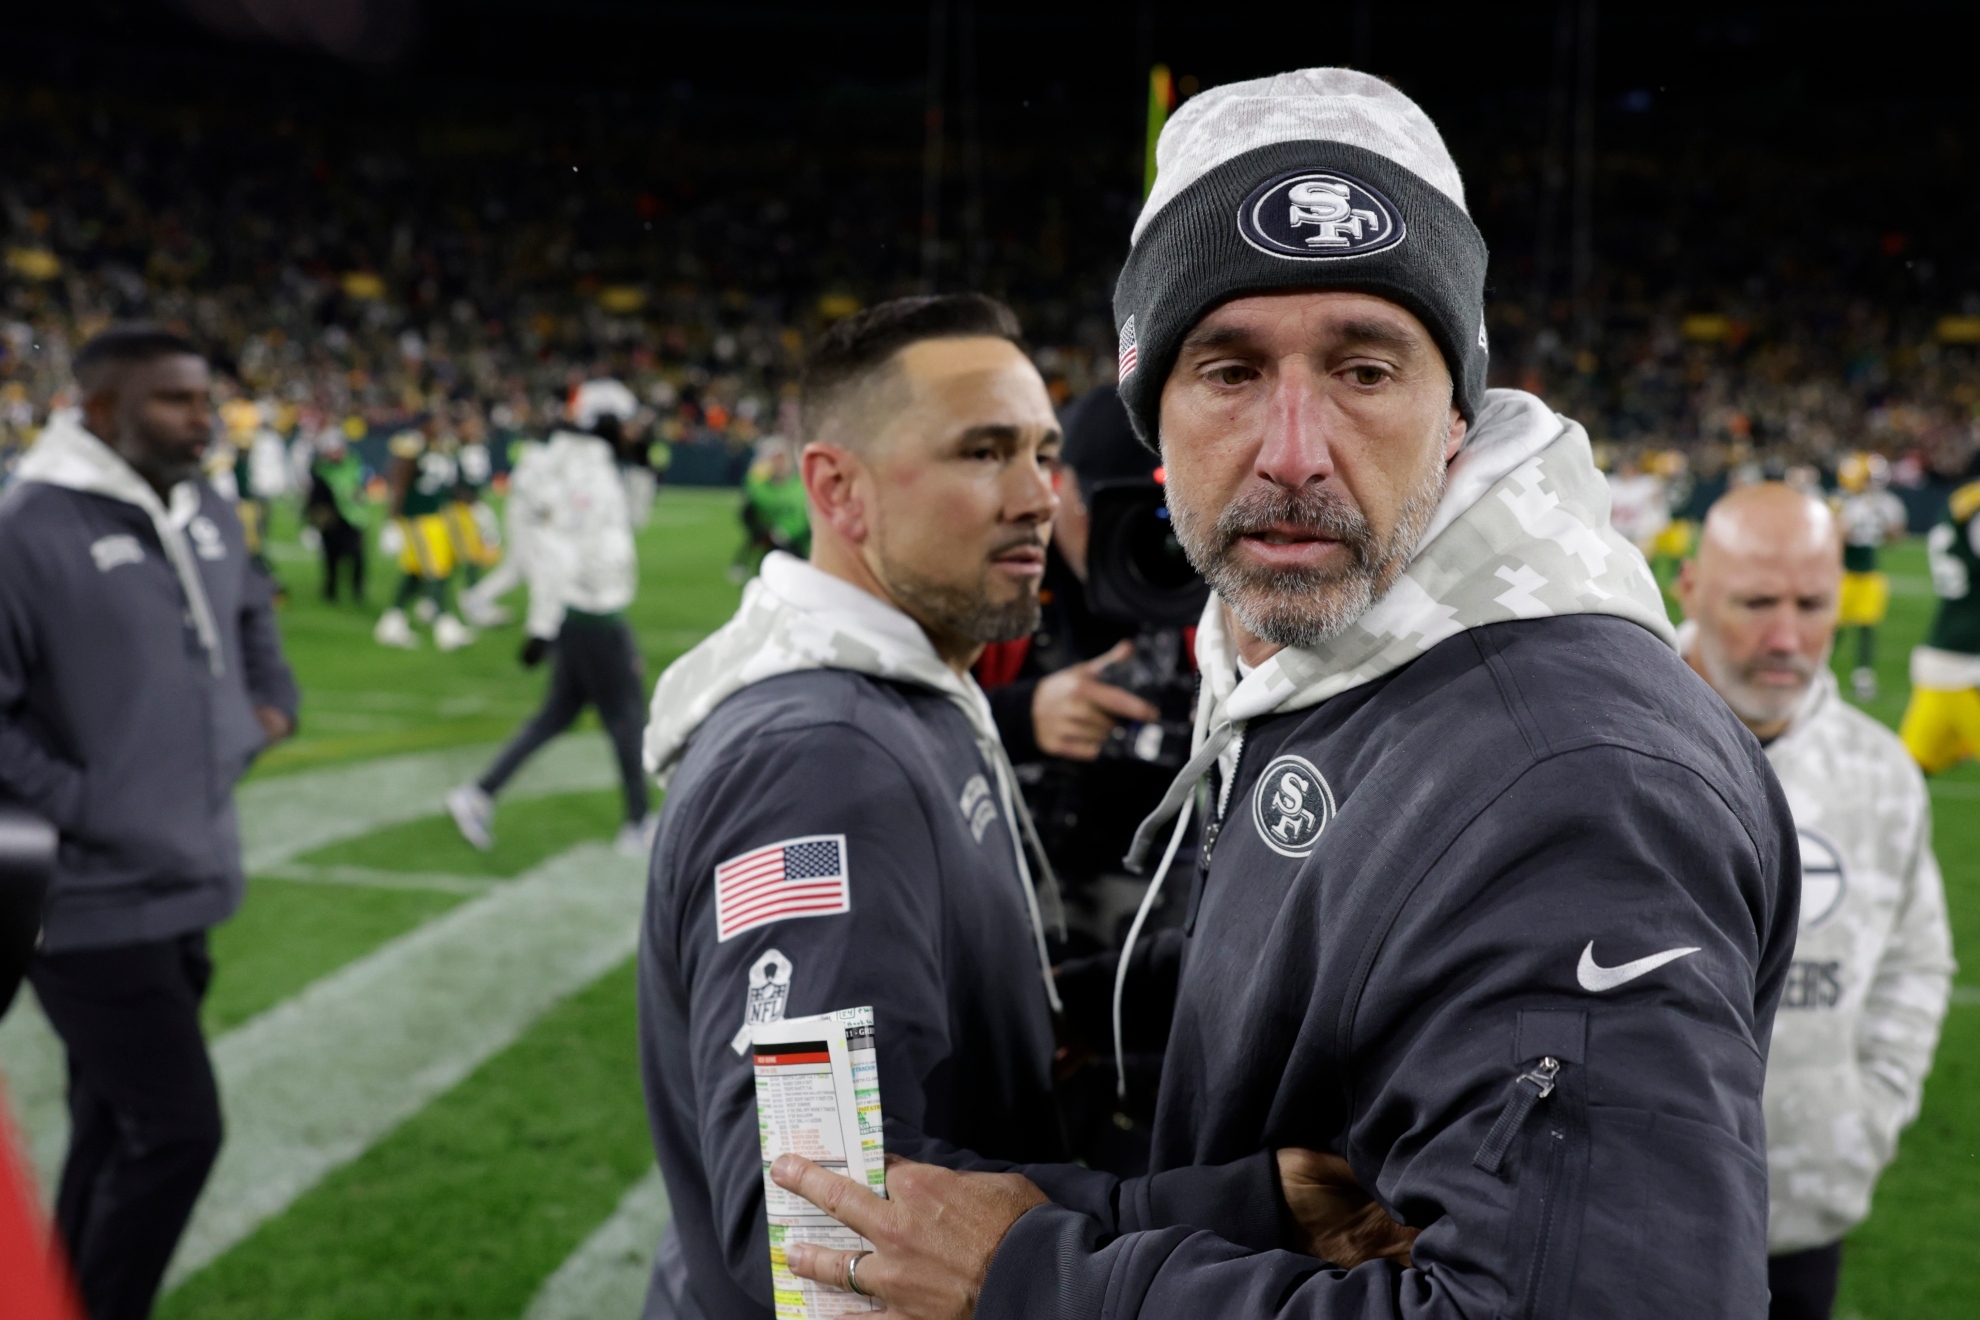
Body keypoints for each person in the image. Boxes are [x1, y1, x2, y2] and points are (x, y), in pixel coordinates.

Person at [768, 68, 1798, 1320]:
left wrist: (1032, 1278)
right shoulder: (1331, 663)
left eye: (1366, 369)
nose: (1295, 452)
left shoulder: (1572, 784)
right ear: (1152, 415)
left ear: (1459, 414)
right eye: (1231, 370)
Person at [0, 325, 300, 1320]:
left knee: (113, 1125)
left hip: (185, 876)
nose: (203, 417)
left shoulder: (205, 500)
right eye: (175, 399)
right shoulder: (25, 527)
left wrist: (269, 705)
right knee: (177, 1133)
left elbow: (252, 609)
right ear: (98, 410)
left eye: (205, 397)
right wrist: (95, 806)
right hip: (82, 896)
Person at [1675, 483, 1953, 1320]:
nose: (1787, 638)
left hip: (1799, 1216)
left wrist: (1866, 1118)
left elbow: (1918, 959)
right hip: (1619, 1216)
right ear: (1689, 588)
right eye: (1757, 602)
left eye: (1813, 604)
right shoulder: (1595, 744)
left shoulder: (1881, 771)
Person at [447, 379, 654, 857]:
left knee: (556, 717)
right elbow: (557, 550)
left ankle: (477, 795)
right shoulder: (579, 470)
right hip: (591, 614)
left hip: (586, 610)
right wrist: (541, 626)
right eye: (625, 423)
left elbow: (630, 523)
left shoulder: (593, 463)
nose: (633, 431)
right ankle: (638, 822)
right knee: (626, 719)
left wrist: (640, 468)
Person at [1899, 459, 1980, 772]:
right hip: (1960, 665)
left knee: (1910, 773)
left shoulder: (1963, 500)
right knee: (1908, 774)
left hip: (1946, 659)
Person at [373, 415, 475, 651]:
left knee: (415, 573)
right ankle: (445, 626)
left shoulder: (442, 447)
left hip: (435, 517)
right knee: (437, 571)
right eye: (435, 423)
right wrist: (392, 521)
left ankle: (391, 622)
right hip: (418, 519)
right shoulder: (412, 445)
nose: (441, 427)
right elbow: (400, 481)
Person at [1833, 452, 1907, 701]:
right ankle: (1817, 670)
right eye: (1866, 478)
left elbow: (1895, 539)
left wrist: (1883, 523)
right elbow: (1833, 537)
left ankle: (1863, 677)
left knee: (1867, 628)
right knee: (1833, 627)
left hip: (1869, 575)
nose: (1870, 483)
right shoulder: (1841, 502)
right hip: (1842, 574)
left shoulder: (1880, 503)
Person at [304, 427, 368, 603]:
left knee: (357, 556)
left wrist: (358, 494)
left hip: (353, 517)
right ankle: (330, 590)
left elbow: (358, 485)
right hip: (332, 520)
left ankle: (358, 590)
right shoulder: (321, 470)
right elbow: (314, 497)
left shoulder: (352, 463)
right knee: (331, 558)